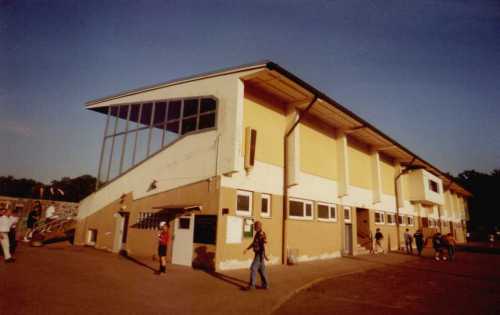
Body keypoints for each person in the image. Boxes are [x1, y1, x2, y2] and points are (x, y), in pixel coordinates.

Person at [243, 221, 269, 289]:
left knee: (253, 268)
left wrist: (265, 255)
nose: (254, 227)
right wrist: (247, 249)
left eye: (255, 226)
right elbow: (254, 243)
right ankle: (265, 285)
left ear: (258, 227)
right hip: (258, 254)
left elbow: (264, 244)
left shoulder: (261, 233)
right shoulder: (257, 234)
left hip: (260, 254)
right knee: (261, 270)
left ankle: (252, 285)